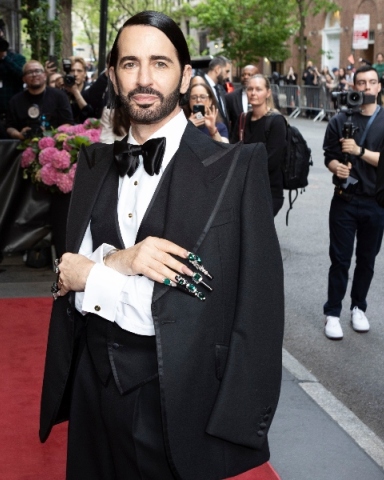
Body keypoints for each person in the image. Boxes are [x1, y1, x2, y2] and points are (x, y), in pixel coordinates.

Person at [40, 10, 284, 480]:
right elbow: (66, 278)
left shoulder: (236, 169)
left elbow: (248, 305)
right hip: (91, 386)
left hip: (178, 401)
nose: (144, 79)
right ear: (113, 75)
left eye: (160, 63)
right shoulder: (92, 163)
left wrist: (94, 274)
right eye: (130, 63)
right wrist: (121, 261)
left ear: (185, 75)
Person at [322, 65, 384, 340]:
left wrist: (359, 151)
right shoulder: (340, 119)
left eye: (371, 82)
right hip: (344, 200)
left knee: (367, 260)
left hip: (376, 203)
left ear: (379, 87)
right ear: (354, 86)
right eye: (361, 83)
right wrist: (336, 167)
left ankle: (358, 307)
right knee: (340, 260)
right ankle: (332, 313)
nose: (366, 87)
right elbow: (329, 156)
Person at [241, 74, 287, 216]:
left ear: (268, 93)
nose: (253, 93)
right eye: (250, 89)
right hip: (243, 190)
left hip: (268, 191)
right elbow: (233, 149)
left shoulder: (276, 121)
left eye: (258, 89)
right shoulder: (243, 118)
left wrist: (243, 165)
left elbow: (271, 160)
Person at [6, 60, 73, 140]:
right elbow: (9, 127)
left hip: (53, 143)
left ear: (45, 75)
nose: (34, 75)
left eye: (38, 71)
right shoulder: (15, 101)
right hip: (24, 143)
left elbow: (68, 123)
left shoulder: (60, 96)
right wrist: (19, 135)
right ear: (24, 79)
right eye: (29, 72)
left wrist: (51, 134)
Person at [224, 64, 258, 143]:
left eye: (249, 75)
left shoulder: (265, 96)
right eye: (243, 75)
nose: (245, 77)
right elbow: (227, 123)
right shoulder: (230, 98)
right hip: (238, 143)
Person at [202, 56, 230, 128]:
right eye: (226, 71)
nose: (227, 76)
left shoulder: (220, 88)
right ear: (217, 69)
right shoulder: (201, 86)